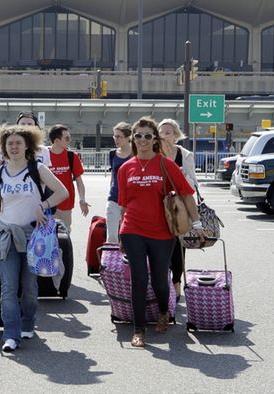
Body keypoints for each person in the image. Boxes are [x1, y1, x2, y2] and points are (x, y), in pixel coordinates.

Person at [117, 116, 206, 347]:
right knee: (138, 278)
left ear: (155, 138)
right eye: (138, 135)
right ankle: (138, 330)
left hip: (162, 232)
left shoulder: (166, 164)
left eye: (148, 135)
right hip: (132, 228)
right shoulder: (126, 168)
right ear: (133, 139)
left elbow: (186, 194)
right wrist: (120, 232)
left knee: (159, 280)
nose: (143, 139)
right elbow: (123, 204)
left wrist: (196, 224)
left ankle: (164, 313)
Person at [0, 124, 68, 352]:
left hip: (34, 237)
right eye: (9, 143)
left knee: (29, 287)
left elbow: (63, 192)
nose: (13, 147)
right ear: (3, 147)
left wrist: (45, 204)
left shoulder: (37, 168)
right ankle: (10, 334)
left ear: (27, 146)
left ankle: (28, 322)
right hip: (7, 236)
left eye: (18, 143)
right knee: (9, 287)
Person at [0, 111, 51, 218]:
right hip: (8, 204)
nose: (26, 127)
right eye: (23, 124)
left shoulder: (43, 151)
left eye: (30, 124)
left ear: (36, 128)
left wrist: (46, 204)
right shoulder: (5, 149)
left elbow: (52, 183)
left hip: (35, 208)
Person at [158, 118, 198, 302]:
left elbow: (193, 183)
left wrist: (179, 174)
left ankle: (176, 283)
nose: (163, 135)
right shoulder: (154, 154)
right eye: (161, 131)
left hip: (180, 208)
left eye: (167, 132)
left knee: (178, 247)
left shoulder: (185, 154)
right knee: (160, 247)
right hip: (159, 206)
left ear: (175, 135)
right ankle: (161, 284)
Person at [47, 124, 90, 232]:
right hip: (46, 203)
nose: (69, 140)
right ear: (56, 141)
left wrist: (82, 199)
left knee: (64, 234)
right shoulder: (44, 155)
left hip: (65, 203)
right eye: (67, 138)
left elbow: (79, 181)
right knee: (47, 235)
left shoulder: (72, 156)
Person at [105, 122, 133, 244]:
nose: (116, 139)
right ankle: (111, 262)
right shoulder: (113, 153)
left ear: (128, 138)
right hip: (114, 198)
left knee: (130, 236)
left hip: (132, 200)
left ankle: (129, 262)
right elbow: (113, 176)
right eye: (114, 136)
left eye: (119, 136)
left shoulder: (136, 154)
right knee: (112, 237)